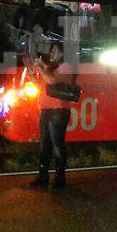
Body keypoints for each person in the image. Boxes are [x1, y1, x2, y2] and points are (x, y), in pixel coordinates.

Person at [27, 42, 75, 188]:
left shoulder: (65, 67)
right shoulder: (50, 68)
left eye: (54, 50)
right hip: (45, 109)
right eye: (51, 50)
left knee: (57, 144)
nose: (51, 53)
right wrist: (31, 70)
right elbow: (39, 84)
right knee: (44, 145)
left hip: (58, 110)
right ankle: (43, 177)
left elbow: (53, 81)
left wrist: (40, 67)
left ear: (61, 52)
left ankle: (60, 177)